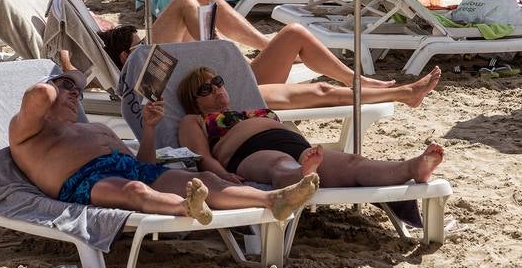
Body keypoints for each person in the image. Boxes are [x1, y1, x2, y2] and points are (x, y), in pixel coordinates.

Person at [8, 69, 318, 219]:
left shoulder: (96, 128)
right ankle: (187, 208)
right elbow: (37, 96)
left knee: (206, 180)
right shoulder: (28, 131)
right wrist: (55, 83)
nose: (76, 93)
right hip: (85, 180)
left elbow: (144, 164)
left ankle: (273, 200)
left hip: (129, 168)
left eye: (77, 89)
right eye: (66, 87)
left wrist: (150, 129)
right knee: (135, 192)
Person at [98, 5, 442, 111]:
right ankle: (402, 93)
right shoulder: (142, 74)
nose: (147, 42)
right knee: (319, 93)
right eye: (140, 41)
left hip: (230, 76)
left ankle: (357, 79)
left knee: (293, 32)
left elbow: (194, 3)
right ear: (128, 54)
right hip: (229, 97)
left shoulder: (158, 57)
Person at [177, 68, 445, 190]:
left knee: (353, 162)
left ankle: (413, 168)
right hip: (247, 152)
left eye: (217, 81)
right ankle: (301, 177)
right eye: (205, 89)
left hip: (296, 145)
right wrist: (223, 174)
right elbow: (202, 157)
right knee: (279, 166)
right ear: (194, 101)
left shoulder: (250, 105)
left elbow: (318, 92)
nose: (215, 89)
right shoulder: (194, 120)